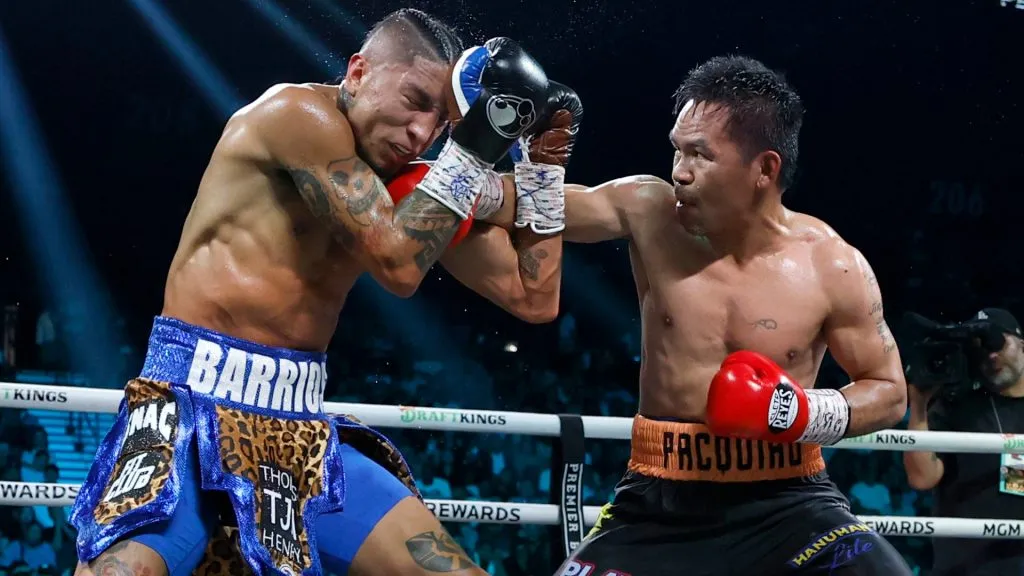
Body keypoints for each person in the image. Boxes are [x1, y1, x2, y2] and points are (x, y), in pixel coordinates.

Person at [68, 9, 575, 576]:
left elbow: (534, 297)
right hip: (190, 403)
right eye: (414, 100)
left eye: (443, 124)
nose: (422, 133)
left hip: (300, 430)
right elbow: (397, 264)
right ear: (357, 72)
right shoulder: (296, 115)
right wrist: (480, 140)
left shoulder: (410, 186)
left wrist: (542, 169)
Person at [527, 55, 913, 574]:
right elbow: (522, 208)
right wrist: (484, 142)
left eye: (700, 155)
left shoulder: (831, 264)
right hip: (655, 505)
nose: (679, 172)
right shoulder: (648, 210)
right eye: (677, 150)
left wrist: (800, 413)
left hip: (790, 505)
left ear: (765, 169)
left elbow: (888, 391)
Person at [903, 308, 1024, 575]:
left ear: (1021, 344)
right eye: (980, 348)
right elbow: (922, 478)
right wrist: (920, 406)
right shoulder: (954, 407)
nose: (991, 355)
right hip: (962, 567)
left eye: (997, 343)